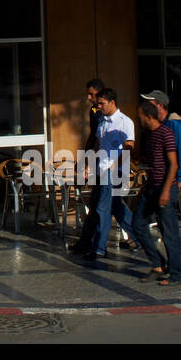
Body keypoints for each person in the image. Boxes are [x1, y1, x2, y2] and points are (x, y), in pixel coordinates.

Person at [78, 88, 139, 261]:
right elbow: (98, 143)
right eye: (98, 104)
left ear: (112, 102)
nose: (99, 107)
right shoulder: (102, 121)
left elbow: (129, 147)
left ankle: (99, 248)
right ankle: (139, 236)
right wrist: (89, 164)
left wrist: (115, 165)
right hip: (101, 169)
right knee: (116, 208)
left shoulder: (124, 122)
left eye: (102, 104)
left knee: (102, 209)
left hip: (115, 171)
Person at [141, 89, 181, 273]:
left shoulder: (173, 124)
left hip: (170, 181)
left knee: (168, 221)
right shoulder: (160, 126)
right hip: (159, 181)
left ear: (159, 105)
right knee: (163, 221)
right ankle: (178, 258)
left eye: (150, 103)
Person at [133, 100, 181, 286]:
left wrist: (165, 191)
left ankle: (177, 274)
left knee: (169, 232)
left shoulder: (166, 133)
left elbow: (173, 163)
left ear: (148, 116)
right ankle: (157, 264)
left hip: (165, 188)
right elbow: (150, 162)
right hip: (151, 187)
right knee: (137, 223)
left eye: (139, 115)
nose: (138, 118)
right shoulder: (147, 135)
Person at [68, 78, 106, 255]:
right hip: (98, 161)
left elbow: (98, 139)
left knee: (105, 206)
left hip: (107, 164)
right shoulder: (94, 111)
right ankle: (85, 243)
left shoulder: (108, 113)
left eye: (91, 94)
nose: (88, 97)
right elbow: (93, 136)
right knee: (100, 204)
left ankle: (136, 237)